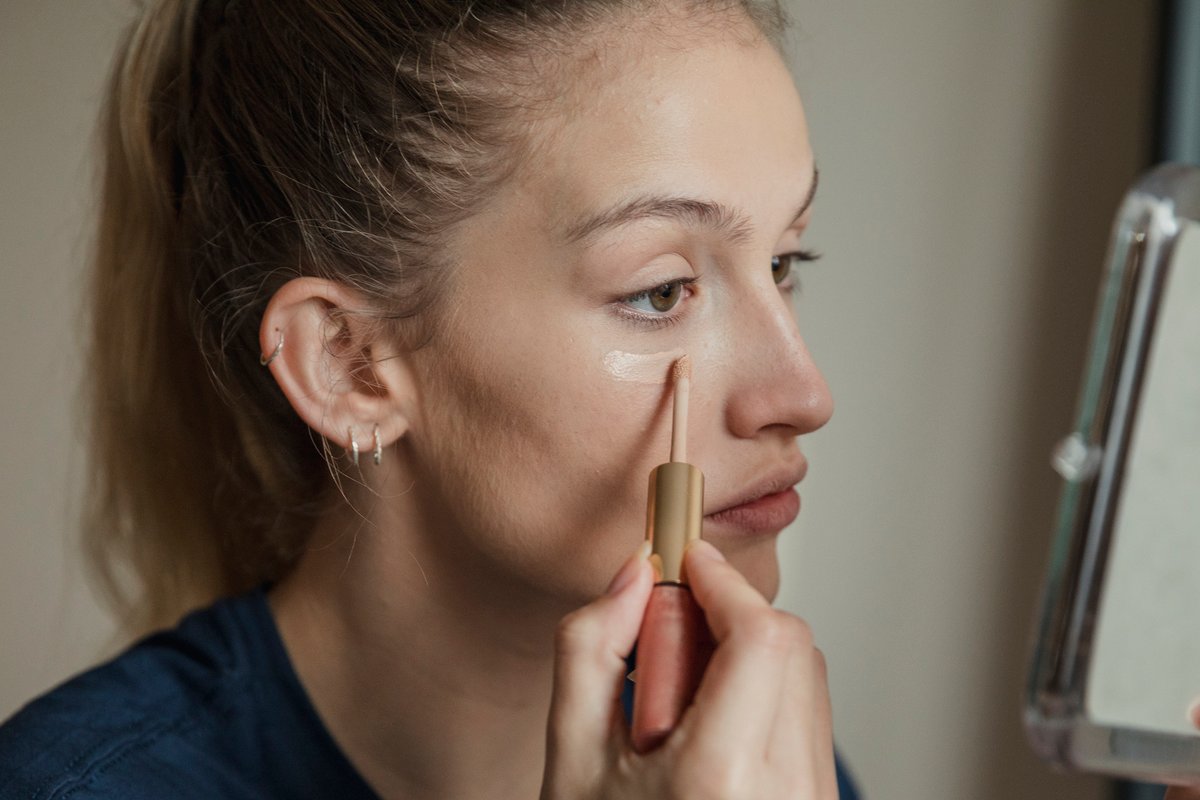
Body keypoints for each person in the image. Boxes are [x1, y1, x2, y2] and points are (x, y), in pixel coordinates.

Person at [0, 0, 859, 797]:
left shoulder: (751, 763)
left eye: (784, 263)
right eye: (661, 291)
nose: (804, 393)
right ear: (350, 364)